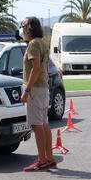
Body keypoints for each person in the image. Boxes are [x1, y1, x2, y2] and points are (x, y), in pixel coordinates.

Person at [19, 17, 56, 171]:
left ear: (30, 27)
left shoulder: (34, 44)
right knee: (44, 124)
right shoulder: (42, 42)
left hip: (35, 89)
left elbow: (36, 68)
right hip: (43, 89)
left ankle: (42, 159)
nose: (22, 29)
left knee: (37, 125)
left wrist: (27, 90)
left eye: (23, 25)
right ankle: (49, 158)